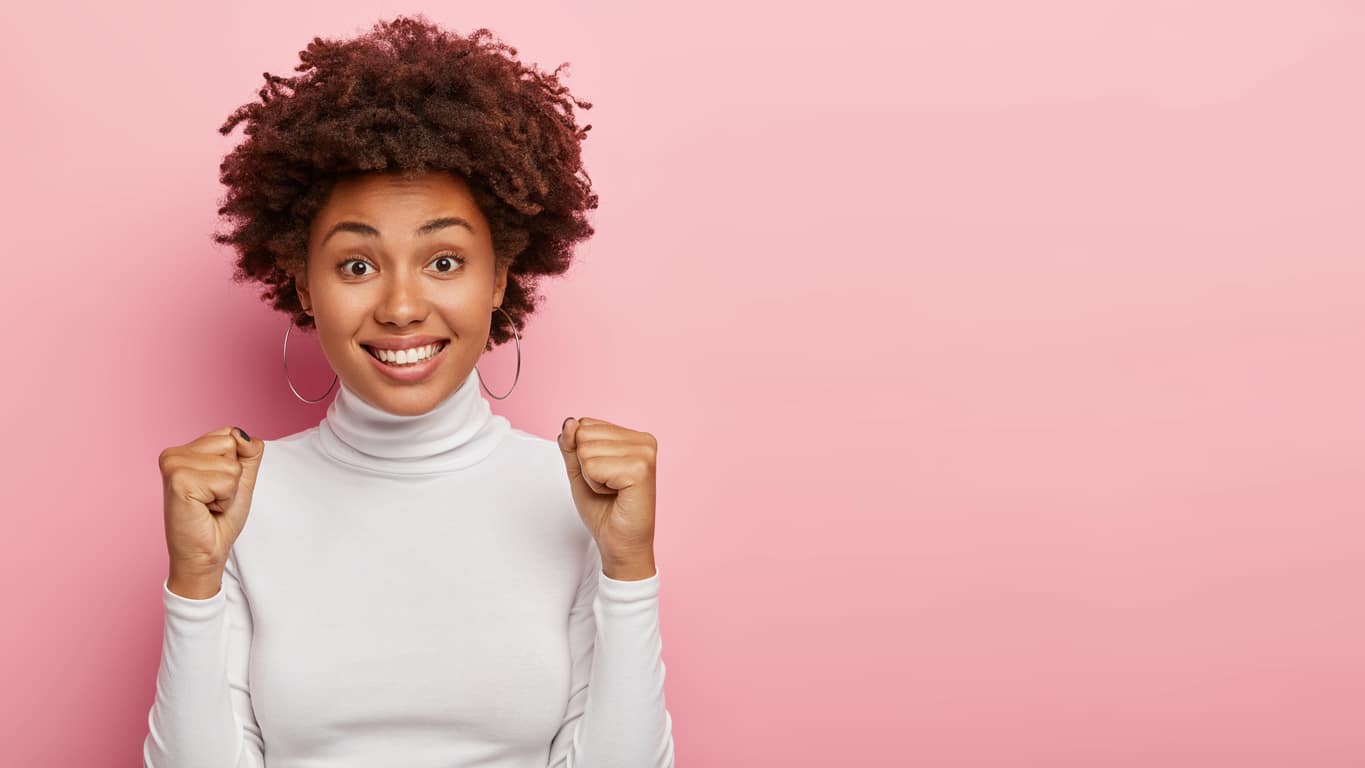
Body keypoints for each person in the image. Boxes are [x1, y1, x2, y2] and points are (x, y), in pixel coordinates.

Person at [143, 15, 675, 767]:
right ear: (303, 282)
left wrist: (629, 570)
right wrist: (192, 581)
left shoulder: (579, 496)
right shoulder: (236, 501)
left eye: (445, 262)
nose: (398, 306)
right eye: (356, 265)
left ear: (500, 278)